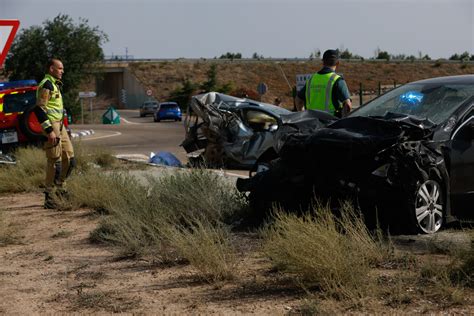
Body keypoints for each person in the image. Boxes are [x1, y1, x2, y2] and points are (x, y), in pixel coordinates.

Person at [34, 58, 76, 208]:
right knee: (54, 162)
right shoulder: (46, 84)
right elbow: (39, 109)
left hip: (60, 125)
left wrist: (64, 129)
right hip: (52, 125)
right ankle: (50, 197)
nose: (62, 71)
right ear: (51, 69)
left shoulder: (55, 84)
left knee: (70, 160)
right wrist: (50, 131)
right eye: (60, 68)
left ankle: (60, 189)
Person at [296, 49, 352, 117]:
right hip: (330, 124)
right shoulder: (337, 80)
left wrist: (304, 117)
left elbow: (299, 101)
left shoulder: (311, 79)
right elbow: (348, 105)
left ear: (323, 62)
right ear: (338, 63)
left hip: (311, 123)